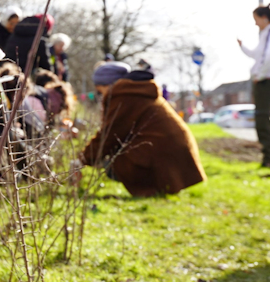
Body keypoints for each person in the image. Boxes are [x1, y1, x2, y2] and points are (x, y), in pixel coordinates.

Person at [77, 62, 206, 197]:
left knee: (112, 161)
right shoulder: (136, 92)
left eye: (100, 89)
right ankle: (160, 188)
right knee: (114, 152)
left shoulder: (125, 96)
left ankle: (152, 189)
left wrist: (81, 160)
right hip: (172, 149)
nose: (100, 94)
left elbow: (109, 135)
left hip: (162, 151)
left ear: (107, 85)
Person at [239, 4, 270, 167]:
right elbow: (257, 55)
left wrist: (259, 76)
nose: (255, 23)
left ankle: (268, 159)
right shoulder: (268, 33)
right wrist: (242, 47)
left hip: (267, 80)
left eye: (256, 19)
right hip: (268, 79)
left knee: (263, 118)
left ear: (264, 18)